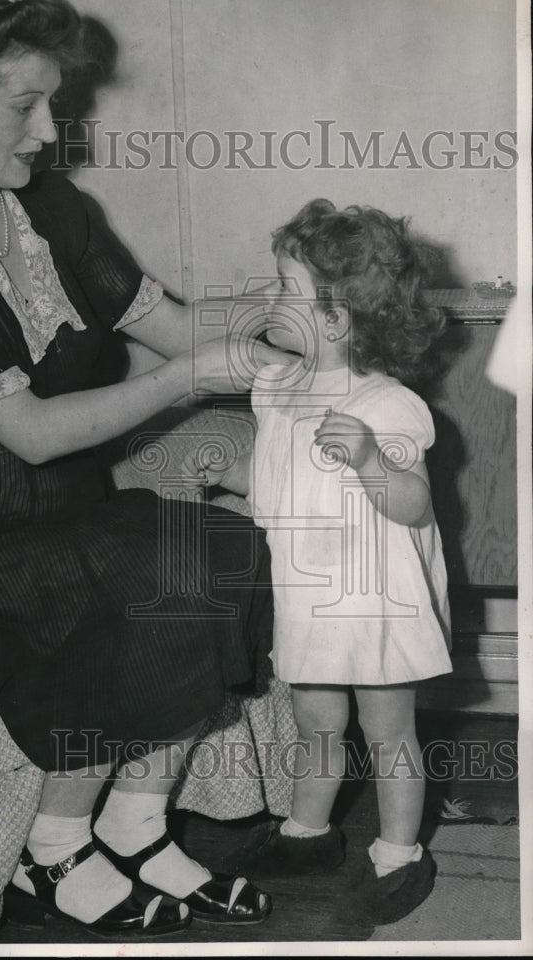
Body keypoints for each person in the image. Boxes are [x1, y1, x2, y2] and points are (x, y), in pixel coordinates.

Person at [0, 0, 291, 937]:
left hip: (77, 510)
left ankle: (134, 827)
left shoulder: (53, 208)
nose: (51, 129)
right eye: (25, 106)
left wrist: (284, 324)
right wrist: (187, 378)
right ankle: (52, 851)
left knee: (225, 551)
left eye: (54, 102)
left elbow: (172, 324)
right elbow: (38, 431)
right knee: (152, 572)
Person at [185, 199, 453, 926]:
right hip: (307, 590)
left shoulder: (388, 405)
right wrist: (227, 474)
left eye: (283, 289)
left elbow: (412, 504)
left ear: (335, 321)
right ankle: (308, 832)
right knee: (316, 719)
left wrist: (369, 460)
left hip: (373, 598)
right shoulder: (277, 389)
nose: (267, 299)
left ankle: (400, 852)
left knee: (389, 726)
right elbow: (280, 478)